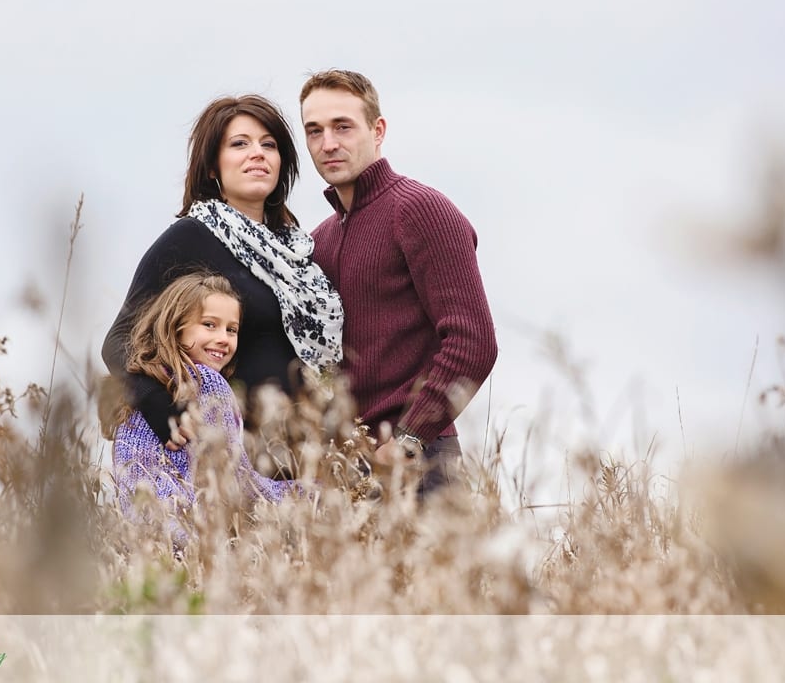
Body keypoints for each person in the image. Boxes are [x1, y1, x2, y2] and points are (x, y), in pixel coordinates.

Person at [102, 95, 343, 473]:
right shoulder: (190, 238)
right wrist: (159, 407)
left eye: (269, 145)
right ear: (213, 166)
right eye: (239, 144)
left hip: (306, 465)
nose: (257, 154)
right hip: (232, 466)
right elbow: (118, 342)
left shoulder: (298, 253)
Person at [299, 70, 498, 496]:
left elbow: (473, 342)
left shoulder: (421, 210)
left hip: (422, 466)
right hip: (345, 477)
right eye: (314, 131)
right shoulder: (319, 240)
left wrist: (408, 441)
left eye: (342, 126)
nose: (328, 143)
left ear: (378, 130)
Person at [111, 273, 306, 538]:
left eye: (231, 330)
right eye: (209, 325)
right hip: (196, 539)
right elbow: (238, 484)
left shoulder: (139, 393)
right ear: (175, 327)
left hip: (148, 541)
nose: (224, 338)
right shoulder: (208, 384)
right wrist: (305, 493)